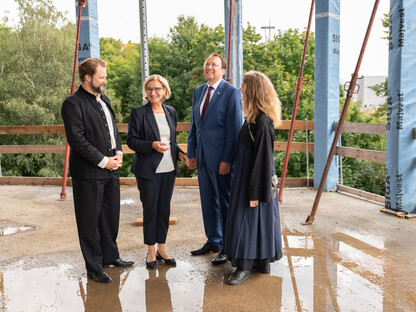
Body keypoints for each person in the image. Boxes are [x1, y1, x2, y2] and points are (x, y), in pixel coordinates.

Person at [61, 57, 134, 283]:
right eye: (101, 77)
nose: (105, 80)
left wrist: (119, 153)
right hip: (89, 173)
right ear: (87, 78)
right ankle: (94, 267)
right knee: (89, 221)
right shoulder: (72, 103)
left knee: (110, 217)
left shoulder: (105, 99)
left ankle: (110, 257)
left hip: (111, 169)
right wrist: (104, 161)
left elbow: (113, 131)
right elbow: (77, 140)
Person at [224, 70, 283, 285]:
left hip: (254, 179)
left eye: (244, 85)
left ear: (254, 90)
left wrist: (255, 191)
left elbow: (263, 160)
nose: (241, 89)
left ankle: (244, 266)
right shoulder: (254, 117)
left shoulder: (263, 121)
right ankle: (260, 262)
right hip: (247, 176)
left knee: (245, 221)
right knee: (257, 221)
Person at [187, 53, 243, 265]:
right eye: (207, 63)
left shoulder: (231, 93)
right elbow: (194, 126)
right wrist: (191, 153)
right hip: (202, 157)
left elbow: (234, 130)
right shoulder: (198, 91)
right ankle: (214, 240)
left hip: (221, 160)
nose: (209, 67)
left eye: (214, 64)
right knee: (208, 201)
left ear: (223, 70)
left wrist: (227, 159)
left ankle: (228, 247)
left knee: (225, 203)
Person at [127, 75, 187, 269]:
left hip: (168, 169)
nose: (153, 92)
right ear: (146, 92)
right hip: (148, 169)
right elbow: (132, 142)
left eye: (157, 89)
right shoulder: (138, 113)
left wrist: (180, 154)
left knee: (163, 210)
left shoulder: (171, 112)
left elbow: (171, 141)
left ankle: (162, 248)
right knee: (150, 210)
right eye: (150, 89)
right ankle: (151, 250)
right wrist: (151, 145)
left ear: (165, 91)